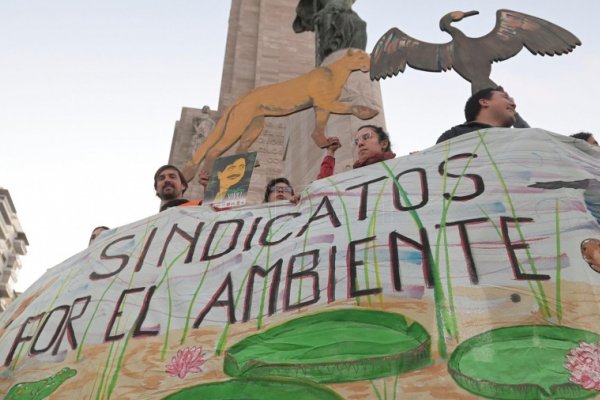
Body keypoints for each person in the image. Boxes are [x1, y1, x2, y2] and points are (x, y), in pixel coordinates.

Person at [436, 87, 527, 144]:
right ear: (484, 102)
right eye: (505, 98)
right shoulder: (454, 135)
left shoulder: (517, 140)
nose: (514, 105)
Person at [317, 124, 396, 179]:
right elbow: (321, 191)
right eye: (356, 142)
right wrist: (330, 152)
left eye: (366, 137)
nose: (360, 144)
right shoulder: (352, 180)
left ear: (384, 144)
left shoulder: (400, 169)